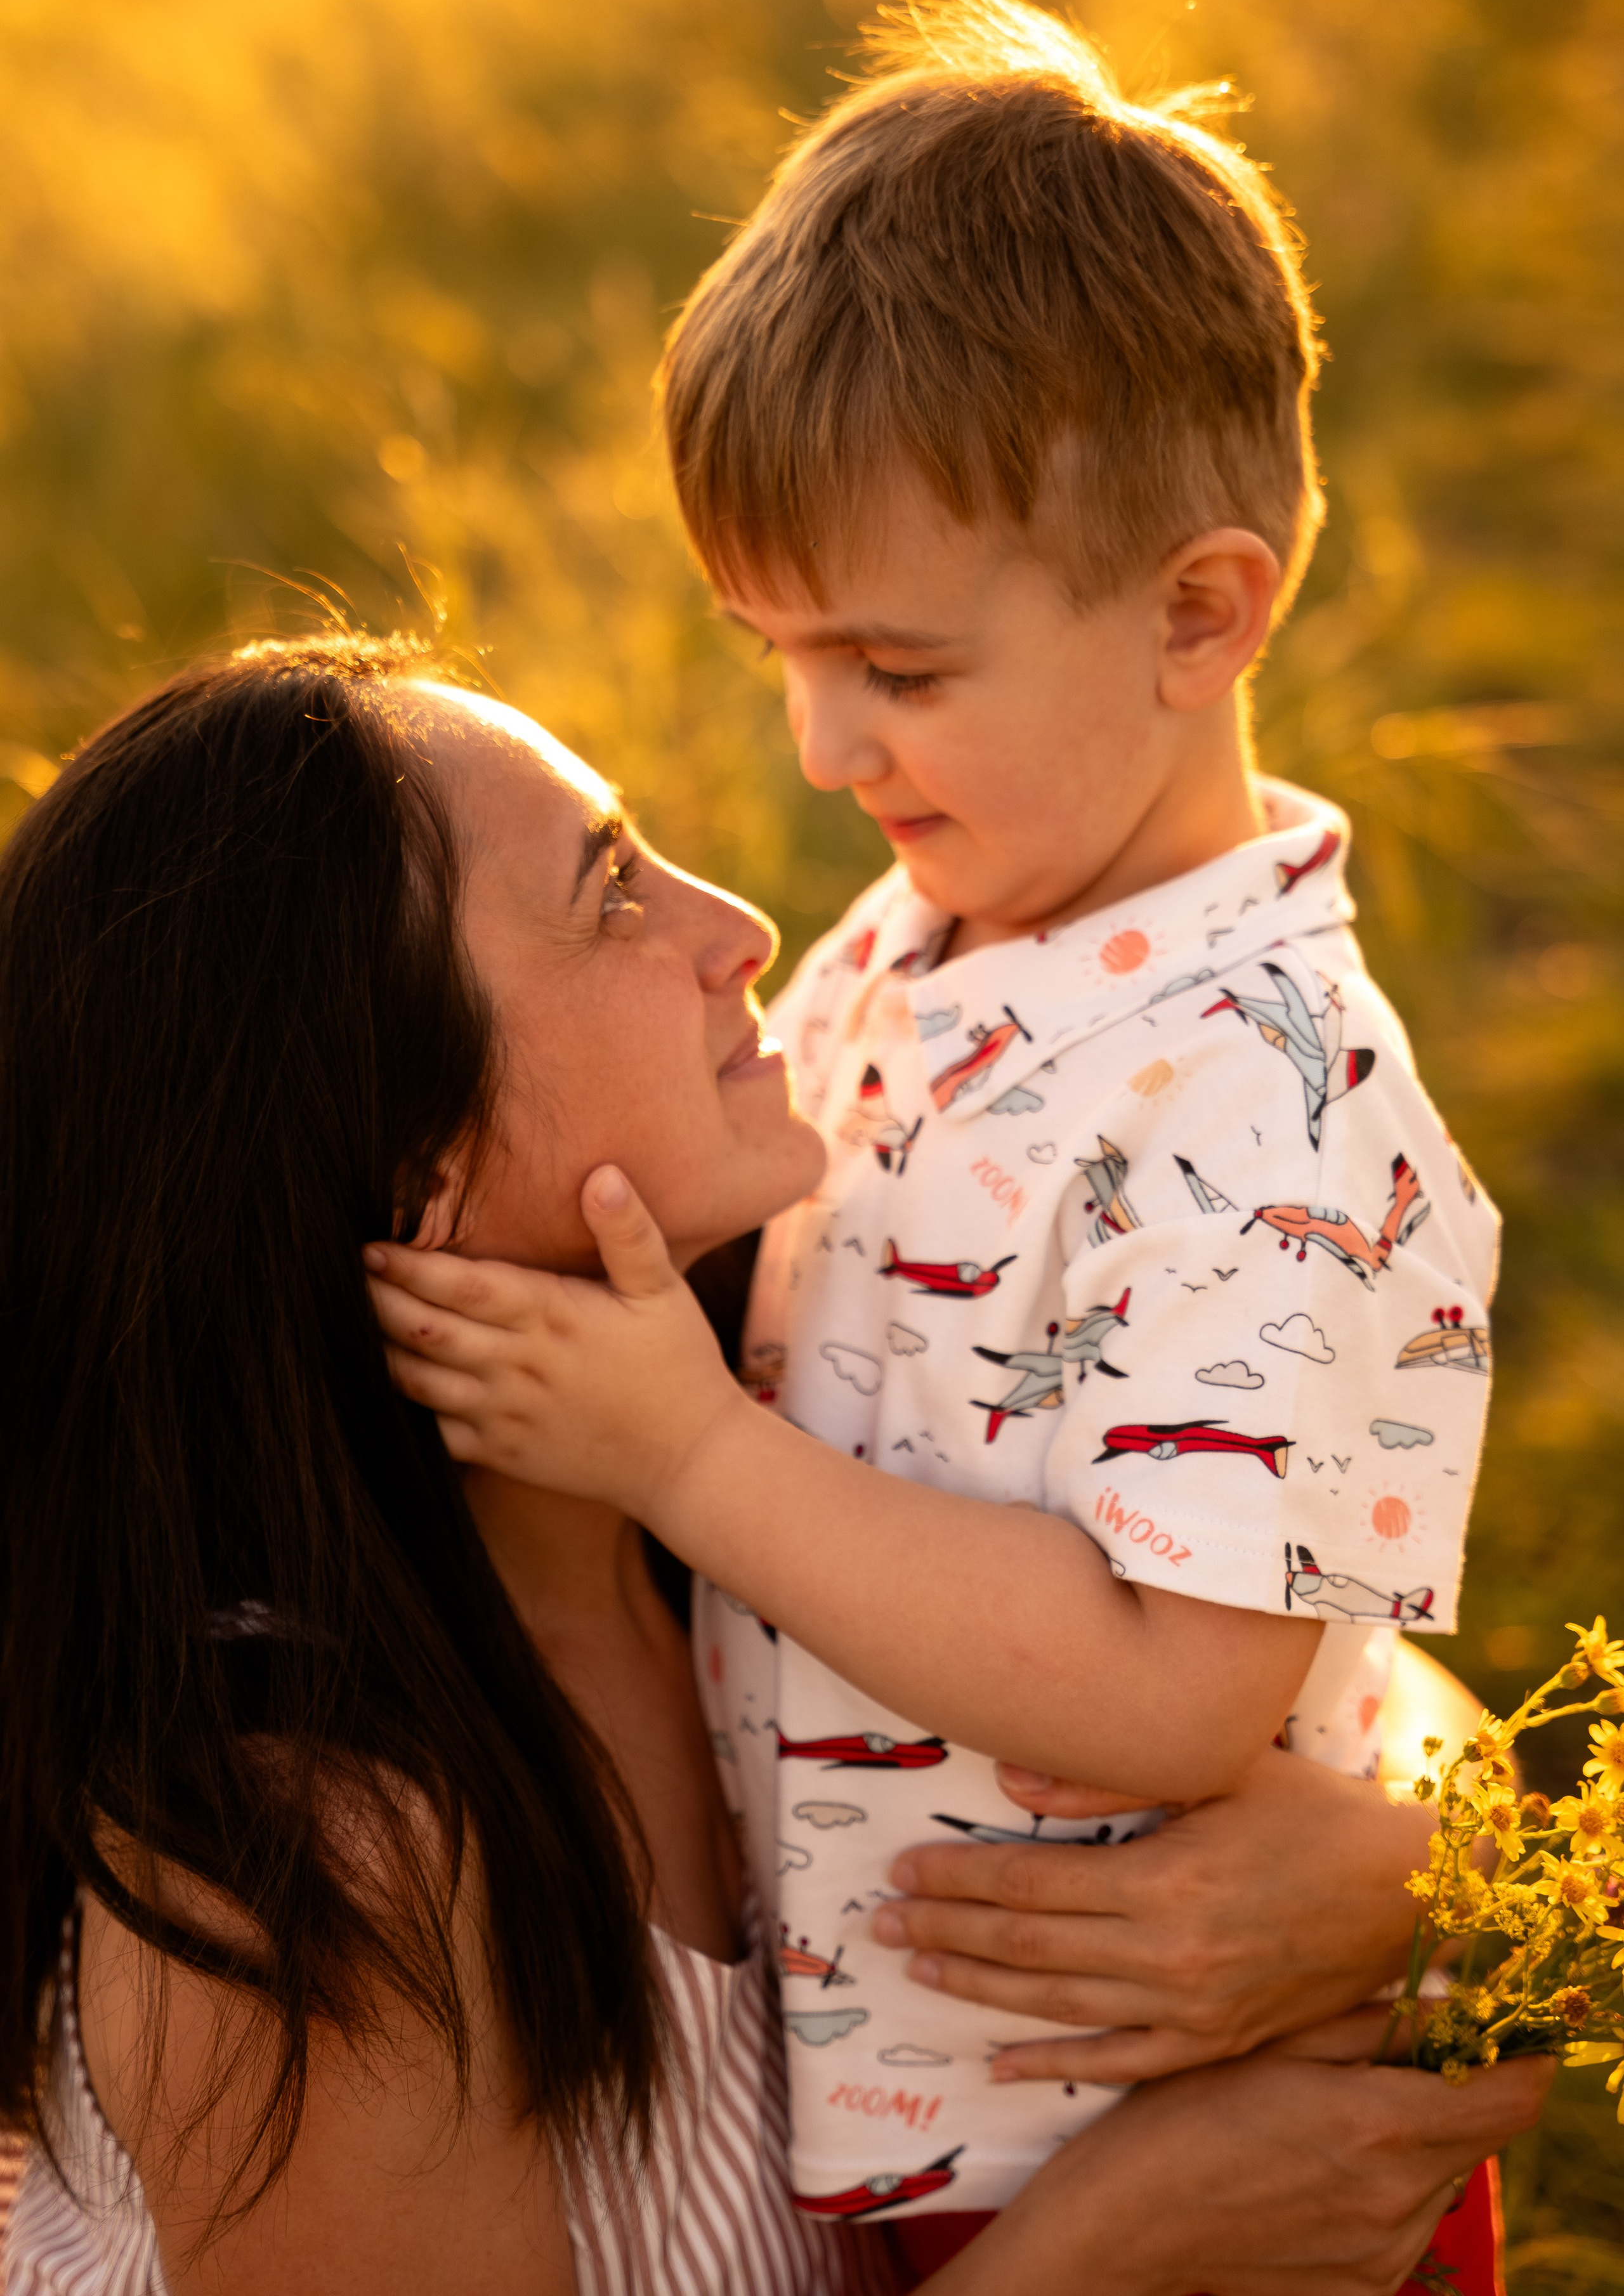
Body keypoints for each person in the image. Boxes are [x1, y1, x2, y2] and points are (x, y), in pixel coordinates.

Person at [365, 0, 1503, 2278]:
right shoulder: (931, 938)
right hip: (930, 2122)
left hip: (1179, 2170)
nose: (815, 744)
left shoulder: (1264, 1104)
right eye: (771, 649)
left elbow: (1186, 1691)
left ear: (1202, 614)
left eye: (895, 669)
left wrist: (689, 1458)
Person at [0, 641, 1547, 2296]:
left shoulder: (763, 1416)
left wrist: (1405, 1885)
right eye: (608, 892)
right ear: (419, 1175)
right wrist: (1106, 2249)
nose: (738, 925)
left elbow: (1396, 1717)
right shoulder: (301, 1883)